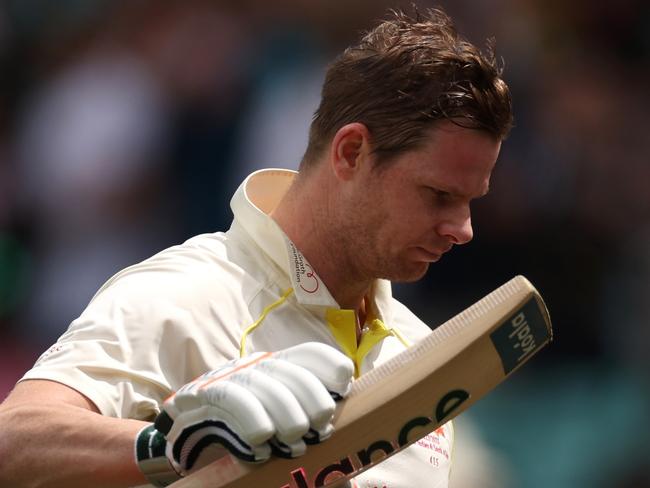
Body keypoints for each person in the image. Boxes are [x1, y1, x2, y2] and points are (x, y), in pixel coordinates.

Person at [0, 7, 512, 488]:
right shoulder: (182, 296)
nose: (462, 229)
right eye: (439, 195)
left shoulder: (422, 351)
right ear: (351, 151)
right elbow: (13, 439)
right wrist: (173, 446)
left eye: (470, 201)